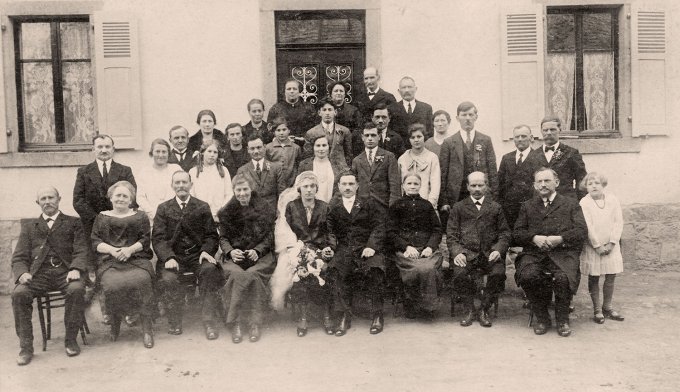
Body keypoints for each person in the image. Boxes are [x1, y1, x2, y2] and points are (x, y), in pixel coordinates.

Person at [11, 186, 88, 365]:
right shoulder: (30, 227)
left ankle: (70, 340)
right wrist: (22, 273)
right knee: (19, 294)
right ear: (38, 203)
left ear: (59, 199)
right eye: (43, 199)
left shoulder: (73, 222)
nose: (47, 202)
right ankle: (26, 347)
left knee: (76, 289)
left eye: (51, 198)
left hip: (66, 272)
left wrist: (76, 268)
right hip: (38, 275)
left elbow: (81, 250)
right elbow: (19, 256)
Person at [513, 168, 587, 337]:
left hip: (563, 253)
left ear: (557, 183)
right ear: (534, 185)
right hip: (534, 254)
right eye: (539, 181)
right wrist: (534, 238)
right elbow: (517, 233)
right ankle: (542, 317)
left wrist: (560, 238)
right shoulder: (527, 206)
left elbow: (581, 231)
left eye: (547, 181)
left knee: (563, 277)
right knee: (528, 275)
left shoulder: (571, 204)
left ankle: (562, 319)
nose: (543, 184)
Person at [153, 171, 224, 340]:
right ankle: (175, 320)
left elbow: (211, 235)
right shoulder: (163, 208)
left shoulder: (202, 206)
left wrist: (206, 251)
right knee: (169, 278)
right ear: (172, 186)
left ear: (191, 185)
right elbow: (158, 238)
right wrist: (168, 257)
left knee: (209, 271)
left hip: (197, 255)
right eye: (177, 183)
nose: (181, 186)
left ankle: (209, 321)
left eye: (184, 182)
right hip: (174, 257)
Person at [90, 181, 155, 348]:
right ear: (111, 197)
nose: (121, 199)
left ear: (131, 199)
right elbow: (95, 242)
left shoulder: (140, 216)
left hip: (136, 259)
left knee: (142, 281)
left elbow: (145, 239)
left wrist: (129, 250)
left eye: (125, 196)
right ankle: (115, 322)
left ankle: (147, 329)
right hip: (110, 261)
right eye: (117, 195)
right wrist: (113, 250)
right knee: (112, 285)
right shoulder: (102, 217)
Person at [273, 172, 335, 336]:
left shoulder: (324, 206)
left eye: (312, 186)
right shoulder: (292, 206)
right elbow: (286, 232)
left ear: (316, 189)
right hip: (297, 247)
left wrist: (330, 248)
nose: (309, 190)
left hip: (320, 248)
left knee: (324, 269)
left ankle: (326, 314)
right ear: (299, 189)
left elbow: (331, 232)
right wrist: (298, 250)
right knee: (299, 270)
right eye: (305, 187)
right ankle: (303, 316)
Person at [327, 171, 387, 335]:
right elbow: (330, 231)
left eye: (351, 184)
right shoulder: (333, 207)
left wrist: (371, 246)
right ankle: (343, 316)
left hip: (366, 248)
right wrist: (332, 248)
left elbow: (379, 226)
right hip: (345, 248)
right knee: (337, 269)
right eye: (344, 184)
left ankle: (377, 315)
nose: (347, 188)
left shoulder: (369, 204)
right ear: (338, 186)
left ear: (357, 186)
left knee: (375, 268)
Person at [218, 175, 277, 343]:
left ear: (251, 189)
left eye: (245, 189)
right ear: (234, 191)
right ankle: (235, 323)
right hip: (235, 256)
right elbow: (223, 238)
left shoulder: (265, 208)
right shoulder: (226, 212)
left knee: (254, 274)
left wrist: (258, 250)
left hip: (261, 256)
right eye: (239, 190)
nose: (242, 194)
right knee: (236, 275)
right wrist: (230, 252)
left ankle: (254, 323)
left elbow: (269, 236)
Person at [447, 172, 510, 328]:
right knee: (459, 273)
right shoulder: (459, 207)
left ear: (486, 186)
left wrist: (498, 250)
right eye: (473, 185)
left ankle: (484, 309)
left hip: (489, 254)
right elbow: (451, 235)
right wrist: (457, 252)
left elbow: (505, 233)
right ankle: (469, 309)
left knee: (498, 274)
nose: (477, 189)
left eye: (480, 185)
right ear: (467, 187)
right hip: (467, 254)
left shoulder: (496, 207)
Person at [388, 174, 442, 319]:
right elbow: (391, 231)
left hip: (426, 249)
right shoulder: (396, 206)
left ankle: (428, 307)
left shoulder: (427, 205)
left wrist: (430, 247)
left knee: (428, 268)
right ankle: (412, 304)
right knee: (417, 269)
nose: (412, 186)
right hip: (404, 251)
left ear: (420, 186)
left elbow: (437, 230)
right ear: (403, 186)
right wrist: (406, 247)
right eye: (409, 183)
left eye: (416, 184)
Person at [579, 172, 625, 324]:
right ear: (586, 187)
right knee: (594, 277)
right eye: (590, 183)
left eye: (597, 183)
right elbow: (588, 226)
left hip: (611, 245)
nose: (593, 186)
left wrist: (612, 243)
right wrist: (597, 245)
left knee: (611, 276)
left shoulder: (612, 199)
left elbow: (618, 222)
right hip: (593, 246)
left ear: (603, 185)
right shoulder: (584, 203)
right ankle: (597, 309)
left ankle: (608, 306)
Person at [73, 134, 137, 241]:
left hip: (120, 223)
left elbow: (132, 196)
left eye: (107, 147)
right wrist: (98, 220)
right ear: (93, 149)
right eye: (100, 147)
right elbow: (78, 200)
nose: (104, 150)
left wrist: (118, 218)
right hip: (92, 225)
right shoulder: (83, 171)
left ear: (113, 149)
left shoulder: (125, 170)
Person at [525, 116, 587, 200]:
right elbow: (528, 183)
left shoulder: (571, 153)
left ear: (559, 130)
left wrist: (575, 202)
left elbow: (582, 180)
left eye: (552, 129)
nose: (549, 133)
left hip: (565, 204)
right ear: (541, 132)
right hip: (540, 205)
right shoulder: (532, 155)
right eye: (545, 130)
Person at [351, 122, 401, 208]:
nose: (370, 138)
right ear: (362, 137)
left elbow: (395, 185)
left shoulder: (389, 157)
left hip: (383, 205)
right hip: (363, 207)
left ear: (379, 136)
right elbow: (354, 185)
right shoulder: (356, 160)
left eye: (373, 135)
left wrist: (393, 207)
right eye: (367, 135)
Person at [497, 124, 535, 228]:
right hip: (509, 209)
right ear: (513, 139)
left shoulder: (538, 157)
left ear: (531, 138)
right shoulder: (506, 158)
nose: (520, 139)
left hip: (531, 209)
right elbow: (499, 184)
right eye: (517, 137)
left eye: (523, 136)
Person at [136, 138, 183, 223]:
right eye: (157, 151)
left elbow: (183, 192)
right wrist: (154, 214)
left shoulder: (176, 169)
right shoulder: (144, 172)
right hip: (151, 217)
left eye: (164, 152)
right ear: (152, 153)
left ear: (168, 153)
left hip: (174, 217)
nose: (161, 155)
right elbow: (140, 198)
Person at [236, 134, 287, 209]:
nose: (256, 151)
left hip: (272, 211)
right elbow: (240, 195)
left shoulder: (276, 168)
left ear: (265, 147)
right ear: (248, 150)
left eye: (259, 147)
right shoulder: (242, 170)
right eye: (252, 148)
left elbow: (282, 193)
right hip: (251, 212)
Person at [188, 139, 233, 221]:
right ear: (202, 153)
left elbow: (229, 194)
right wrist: (200, 212)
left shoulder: (224, 170)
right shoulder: (193, 171)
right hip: (200, 215)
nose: (212, 155)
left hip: (220, 214)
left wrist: (220, 212)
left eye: (215, 152)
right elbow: (192, 194)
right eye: (209, 151)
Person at [397, 123, 441, 208]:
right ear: (409, 140)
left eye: (419, 136)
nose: (416, 140)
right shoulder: (402, 158)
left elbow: (435, 184)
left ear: (424, 137)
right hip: (406, 205)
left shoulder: (432, 157)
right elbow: (399, 185)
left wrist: (430, 204)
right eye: (412, 137)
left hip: (426, 204)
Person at [303, 97, 352, 171]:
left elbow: (348, 155)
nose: (327, 113)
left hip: (340, 171)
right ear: (319, 112)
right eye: (324, 110)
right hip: (320, 170)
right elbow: (308, 157)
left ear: (335, 112)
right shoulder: (311, 133)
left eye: (330, 110)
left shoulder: (344, 131)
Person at [266, 79, 317, 143]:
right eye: (289, 89)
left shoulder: (308, 108)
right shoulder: (276, 109)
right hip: (283, 145)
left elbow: (315, 127)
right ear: (284, 91)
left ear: (299, 91)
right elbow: (270, 130)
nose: (292, 91)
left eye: (294, 89)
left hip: (304, 144)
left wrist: (304, 138)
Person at [297, 135, 341, 203]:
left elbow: (339, 190)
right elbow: (299, 188)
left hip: (332, 207)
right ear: (313, 147)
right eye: (318, 145)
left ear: (329, 147)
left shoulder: (337, 165)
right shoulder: (304, 165)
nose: (321, 149)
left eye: (324, 145)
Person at [266, 116, 302, 187]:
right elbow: (267, 167)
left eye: (284, 129)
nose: (281, 133)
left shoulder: (296, 148)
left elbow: (298, 165)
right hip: (274, 183)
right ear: (274, 132)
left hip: (291, 183)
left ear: (289, 130)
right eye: (278, 130)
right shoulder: (268, 147)